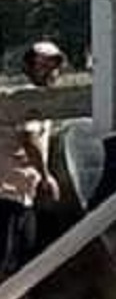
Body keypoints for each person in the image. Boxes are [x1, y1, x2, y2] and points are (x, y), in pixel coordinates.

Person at [1, 42, 64, 277]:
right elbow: (29, 137)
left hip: (20, 189)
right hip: (9, 189)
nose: (50, 71)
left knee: (20, 259)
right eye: (43, 65)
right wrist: (47, 177)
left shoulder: (33, 96)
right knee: (8, 258)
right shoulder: (29, 98)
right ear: (29, 66)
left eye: (54, 64)